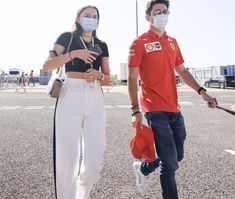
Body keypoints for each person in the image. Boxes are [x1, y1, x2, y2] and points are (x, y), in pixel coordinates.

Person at [127, 0, 216, 198]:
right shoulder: (139, 43)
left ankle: (144, 168)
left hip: (174, 109)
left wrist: (202, 92)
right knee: (170, 165)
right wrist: (135, 110)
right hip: (154, 109)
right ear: (148, 16)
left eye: (165, 11)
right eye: (157, 11)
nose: (161, 14)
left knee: (177, 156)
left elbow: (182, 71)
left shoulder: (172, 42)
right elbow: (132, 78)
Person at [43, 5, 110, 199]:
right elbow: (47, 65)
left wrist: (99, 75)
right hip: (69, 94)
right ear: (78, 18)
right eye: (87, 15)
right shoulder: (67, 37)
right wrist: (73, 54)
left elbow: (107, 78)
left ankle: (82, 194)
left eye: (94, 16)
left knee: (94, 163)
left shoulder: (102, 44)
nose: (91, 19)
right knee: (66, 157)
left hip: (94, 96)